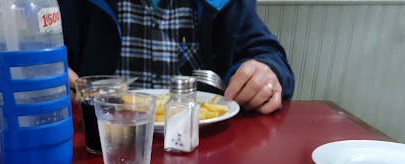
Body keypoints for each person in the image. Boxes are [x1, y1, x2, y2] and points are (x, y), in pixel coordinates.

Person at [60, 0, 294, 114]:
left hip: (208, 149)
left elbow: (267, 54)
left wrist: (266, 73)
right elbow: (43, 60)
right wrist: (48, 75)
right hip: (96, 149)